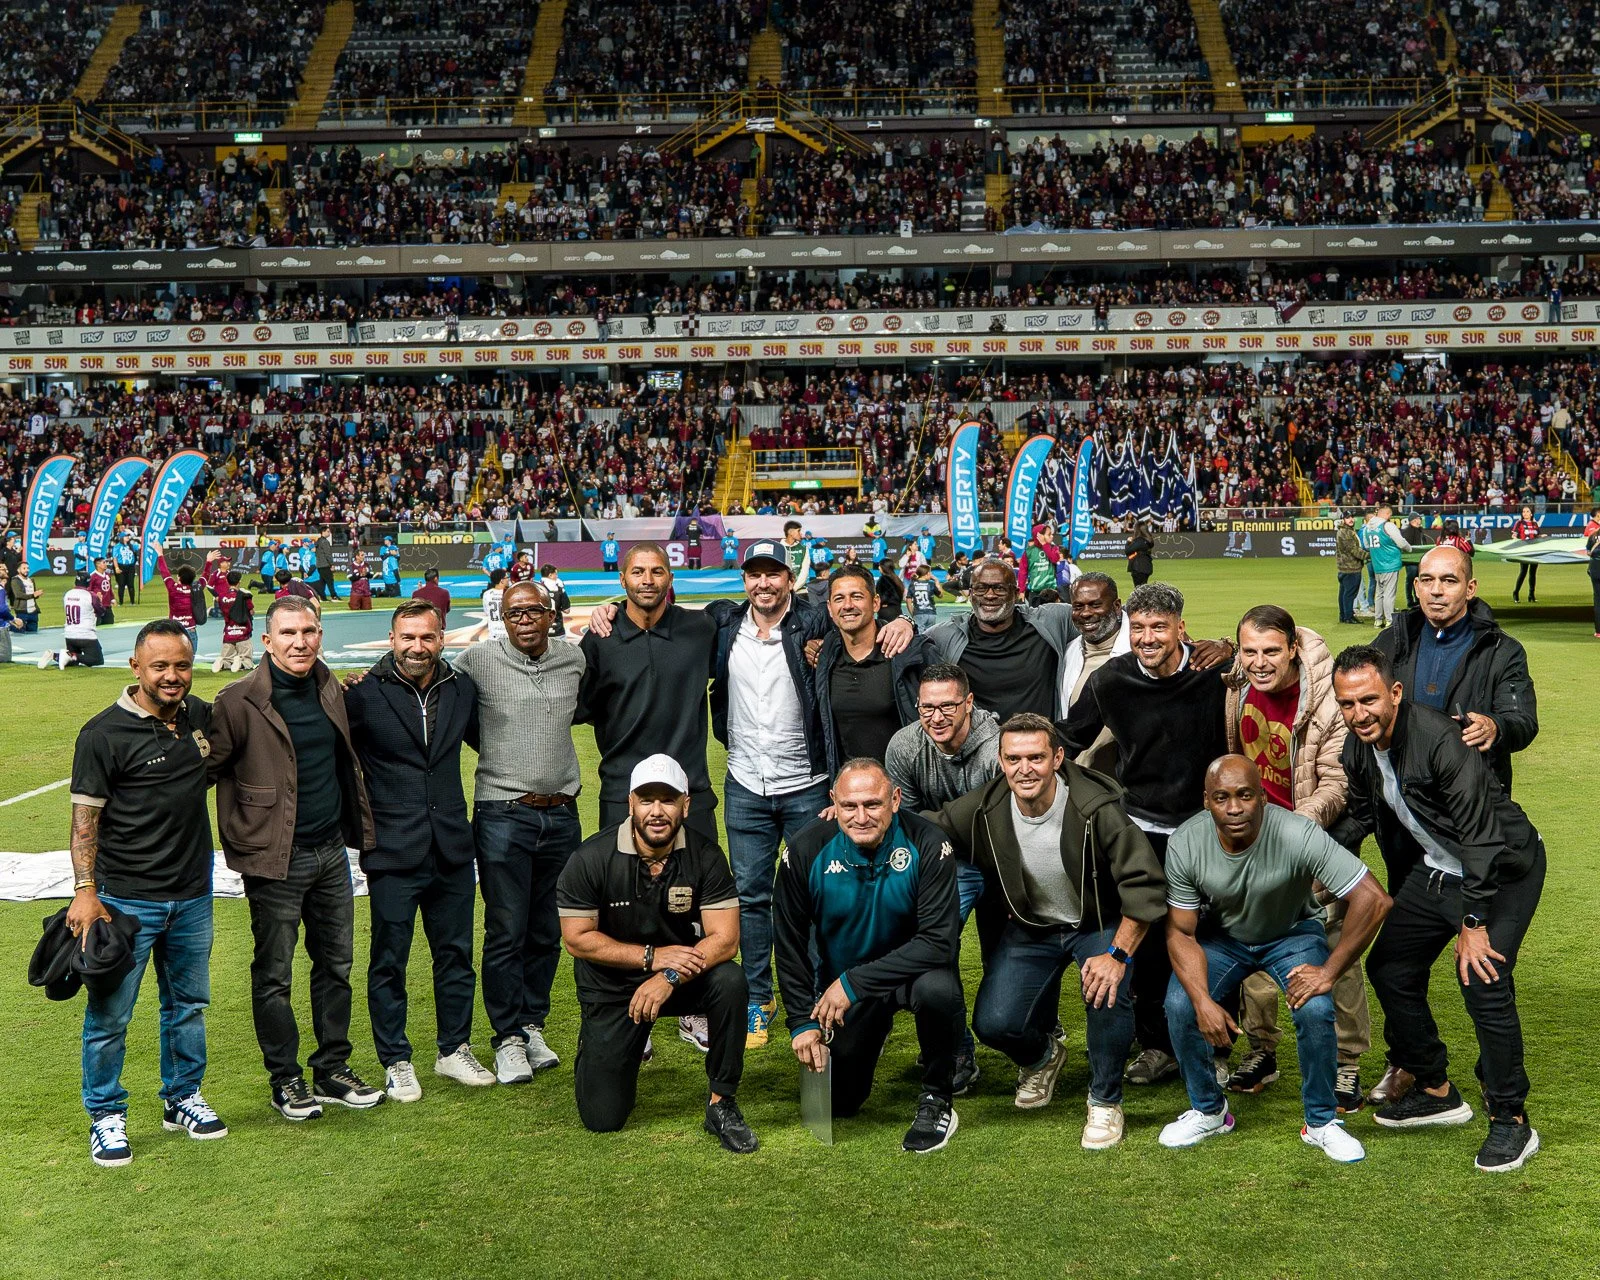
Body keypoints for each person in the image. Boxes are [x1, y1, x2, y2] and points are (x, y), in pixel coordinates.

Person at [1332, 646, 1545, 1173]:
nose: (1359, 714)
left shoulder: (1441, 741)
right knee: (1390, 967)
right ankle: (1434, 1088)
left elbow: (1481, 838)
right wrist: (1314, 861)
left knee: (1483, 978)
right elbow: (1361, 815)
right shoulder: (1358, 748)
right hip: (1440, 867)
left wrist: (1473, 924)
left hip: (1503, 867)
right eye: (1347, 703)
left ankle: (1511, 1119)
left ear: (1395, 693)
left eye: (1369, 700)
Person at [930, 715, 1166, 1148]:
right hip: (1033, 928)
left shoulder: (1096, 807)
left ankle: (1105, 1100)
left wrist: (1117, 954)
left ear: (1057, 758)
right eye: (1014, 759)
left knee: (1106, 990)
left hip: (1096, 924)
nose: (1025, 769)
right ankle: (1042, 1057)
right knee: (993, 1023)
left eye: (1036, 757)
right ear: (1001, 761)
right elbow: (928, 826)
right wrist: (851, 818)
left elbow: (1146, 886)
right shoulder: (986, 806)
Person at [1159, 756, 1390, 1163]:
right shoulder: (1185, 842)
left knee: (1315, 1008)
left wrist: (1329, 971)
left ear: (1263, 798)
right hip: (1224, 939)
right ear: (1206, 801)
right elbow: (1181, 931)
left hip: (1291, 934)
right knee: (1180, 1004)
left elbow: (1374, 899)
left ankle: (1320, 1122)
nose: (1234, 808)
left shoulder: (1298, 833)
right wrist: (1202, 1001)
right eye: (1221, 798)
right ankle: (1209, 1111)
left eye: (1245, 795)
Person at [207, 595, 384, 1120]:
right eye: (288, 633)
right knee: (275, 975)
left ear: (320, 635)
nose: (299, 642)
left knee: (336, 966)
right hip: (273, 860)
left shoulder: (331, 686)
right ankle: (285, 1079)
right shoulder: (237, 701)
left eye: (308, 631)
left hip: (330, 851)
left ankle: (331, 1068)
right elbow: (205, 771)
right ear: (266, 641)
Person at [1057, 581, 1233, 1086]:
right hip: (1143, 830)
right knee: (1149, 943)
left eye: (1159, 627)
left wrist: (1230, 647)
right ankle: (1158, 1046)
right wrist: (1016, 754)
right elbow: (1069, 736)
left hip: (1207, 831)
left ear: (1181, 627)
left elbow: (1275, 657)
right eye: (1139, 628)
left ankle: (1219, 1045)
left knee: (1216, 939)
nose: (1148, 638)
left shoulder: (1214, 672)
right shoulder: (1111, 680)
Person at [69, 620, 224, 1167]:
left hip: (194, 895)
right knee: (110, 1015)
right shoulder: (102, 733)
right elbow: (85, 820)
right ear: (135, 667)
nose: (172, 676)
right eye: (159, 666)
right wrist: (85, 890)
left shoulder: (198, 716)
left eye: (181, 665)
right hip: (126, 901)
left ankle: (182, 1097)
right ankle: (105, 1114)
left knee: (188, 1007)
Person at [556, 755, 757, 1153]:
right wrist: (652, 958)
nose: (657, 811)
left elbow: (725, 940)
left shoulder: (705, 855)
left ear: (686, 805)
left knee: (730, 980)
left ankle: (721, 1102)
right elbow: (577, 939)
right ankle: (605, 1045)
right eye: (647, 800)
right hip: (614, 985)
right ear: (630, 802)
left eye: (668, 800)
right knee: (603, 1118)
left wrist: (667, 976)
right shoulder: (591, 858)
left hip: (679, 977)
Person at [774, 759, 964, 1154]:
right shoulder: (806, 850)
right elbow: (789, 944)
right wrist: (800, 1022)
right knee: (841, 1104)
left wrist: (851, 983)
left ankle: (937, 1098)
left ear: (895, 799)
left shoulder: (929, 843)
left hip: (911, 976)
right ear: (833, 802)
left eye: (873, 804)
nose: (861, 817)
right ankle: (871, 1032)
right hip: (848, 991)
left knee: (938, 990)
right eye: (849, 806)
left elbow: (937, 943)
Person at [1223, 606, 1370, 1110]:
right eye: (1250, 652)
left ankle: (1347, 1062)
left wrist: (1289, 832)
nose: (1260, 662)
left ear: (1291, 649)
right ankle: (1262, 1050)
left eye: (1271, 651)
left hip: (1311, 842)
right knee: (1252, 944)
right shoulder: (1235, 683)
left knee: (1335, 951)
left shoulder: (1326, 701)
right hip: (1250, 842)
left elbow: (1337, 784)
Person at [345, 599, 492, 1102]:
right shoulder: (362, 694)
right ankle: (396, 1059)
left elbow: (486, 743)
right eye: (407, 637)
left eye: (427, 637)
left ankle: (454, 1049)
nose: (417, 647)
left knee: (456, 955)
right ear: (392, 639)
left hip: (451, 845)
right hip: (392, 848)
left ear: (441, 638)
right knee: (390, 960)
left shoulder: (461, 688)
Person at [455, 580, 585, 1083]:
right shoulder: (477, 660)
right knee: (507, 930)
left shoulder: (572, 659)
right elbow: (431, 687)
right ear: (502, 619)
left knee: (548, 930)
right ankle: (506, 1037)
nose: (525, 619)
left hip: (562, 813)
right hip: (503, 811)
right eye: (515, 613)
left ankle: (532, 1025)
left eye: (534, 610)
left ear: (552, 614)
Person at [577, 542, 723, 843]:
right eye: (638, 572)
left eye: (657, 572)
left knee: (702, 874)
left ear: (670, 578)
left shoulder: (700, 628)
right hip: (622, 794)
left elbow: (750, 620)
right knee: (621, 875)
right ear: (622, 580)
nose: (647, 580)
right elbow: (583, 708)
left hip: (690, 792)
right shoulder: (600, 638)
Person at [1373, 545, 1536, 796]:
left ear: (1470, 588)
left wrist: (1495, 726)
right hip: (1402, 798)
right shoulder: (1390, 642)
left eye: (1449, 581)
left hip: (1474, 797)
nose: (1436, 590)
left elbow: (1523, 721)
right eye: (1427, 580)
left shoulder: (1502, 650)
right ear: (1416, 586)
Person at [924, 557, 1080, 722]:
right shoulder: (945, 635)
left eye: (999, 588)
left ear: (1016, 593)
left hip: (1039, 737)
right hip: (979, 739)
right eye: (981, 588)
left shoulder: (1051, 621)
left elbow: (1095, 612)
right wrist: (907, 621)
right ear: (971, 594)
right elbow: (912, 644)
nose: (989, 595)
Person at [814, 563, 928, 773]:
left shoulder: (907, 651)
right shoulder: (825, 655)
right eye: (839, 598)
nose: (848, 605)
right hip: (849, 786)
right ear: (829, 608)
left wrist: (906, 620)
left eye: (857, 596)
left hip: (904, 785)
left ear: (875, 603)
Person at [1057, 572, 1130, 775]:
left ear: (1117, 606)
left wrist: (1215, 646)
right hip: (1075, 777)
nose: (1086, 613)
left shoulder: (1142, 649)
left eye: (1095, 605)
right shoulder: (1068, 652)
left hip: (1122, 782)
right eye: (1078, 606)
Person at [1358, 507, 1411, 629]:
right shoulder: (1388, 526)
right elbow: (1401, 542)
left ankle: (1378, 620)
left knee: (1379, 593)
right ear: (1387, 514)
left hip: (1377, 564)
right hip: (1390, 563)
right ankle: (1389, 620)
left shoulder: (1367, 528)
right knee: (1389, 593)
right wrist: (1409, 549)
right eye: (1390, 515)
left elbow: (1366, 545)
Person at [38, 574, 104, 670]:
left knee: (72, 662)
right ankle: (69, 654)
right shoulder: (90, 596)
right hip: (85, 634)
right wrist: (99, 600)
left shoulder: (68, 594)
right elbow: (101, 612)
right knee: (96, 659)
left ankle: (55, 655)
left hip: (69, 634)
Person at [155, 548, 205, 651]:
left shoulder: (172, 588)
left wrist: (160, 554)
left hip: (175, 630)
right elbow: (204, 578)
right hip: (190, 630)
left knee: (174, 657)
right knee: (189, 658)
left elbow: (164, 572)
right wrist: (209, 562)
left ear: (179, 577)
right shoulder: (195, 589)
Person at [212, 571, 255, 673]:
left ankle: (222, 663)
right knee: (247, 660)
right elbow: (252, 612)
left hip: (228, 633)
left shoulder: (222, 597)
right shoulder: (244, 596)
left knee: (227, 659)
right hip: (243, 633)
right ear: (239, 581)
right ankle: (240, 663)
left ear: (227, 581)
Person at [1335, 512, 1367, 625]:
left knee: (1344, 593)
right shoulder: (1346, 532)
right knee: (1349, 594)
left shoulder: (1344, 531)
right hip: (1351, 568)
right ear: (1343, 519)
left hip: (1344, 567)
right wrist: (1370, 555)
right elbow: (1354, 550)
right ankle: (1348, 616)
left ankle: (1344, 615)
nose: (1351, 519)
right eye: (1347, 517)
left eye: (1352, 517)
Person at [1510, 506, 1541, 603]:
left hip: (1534, 551)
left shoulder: (1535, 524)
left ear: (1531, 514)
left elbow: (1537, 536)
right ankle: (1516, 593)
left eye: (1527, 511)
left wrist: (1542, 536)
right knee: (1523, 572)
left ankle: (1531, 594)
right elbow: (1514, 535)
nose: (1525, 513)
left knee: (1533, 573)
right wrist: (1515, 538)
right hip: (1524, 551)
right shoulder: (1519, 523)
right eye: (1523, 511)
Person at [1024, 524, 1059, 603]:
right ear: (1040, 536)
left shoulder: (1054, 548)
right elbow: (1023, 571)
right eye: (1049, 534)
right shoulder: (1029, 551)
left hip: (1051, 591)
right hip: (1035, 591)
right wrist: (1022, 590)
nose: (1052, 536)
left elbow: (1054, 559)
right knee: (1034, 611)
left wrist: (1044, 544)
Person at [905, 562, 944, 629]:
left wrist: (913, 613)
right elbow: (940, 595)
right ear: (927, 573)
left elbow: (908, 601)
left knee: (919, 633)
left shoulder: (912, 585)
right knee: (929, 633)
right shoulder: (931, 584)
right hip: (931, 613)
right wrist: (936, 581)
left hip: (918, 613)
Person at [8, 561, 40, 632]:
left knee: (33, 634)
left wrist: (36, 595)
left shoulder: (31, 580)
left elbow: (33, 595)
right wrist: (33, 595)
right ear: (18, 570)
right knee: (20, 633)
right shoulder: (15, 580)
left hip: (33, 612)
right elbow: (18, 594)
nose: (27, 570)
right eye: (24, 568)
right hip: (22, 611)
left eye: (28, 568)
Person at [539, 563, 570, 636]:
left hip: (542, 631)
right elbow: (567, 610)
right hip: (557, 630)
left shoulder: (538, 589)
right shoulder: (560, 589)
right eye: (555, 574)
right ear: (550, 575)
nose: (557, 576)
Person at [481, 568, 508, 642]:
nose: (508, 580)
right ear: (502, 580)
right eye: (506, 577)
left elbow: (486, 612)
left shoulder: (487, 594)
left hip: (493, 633)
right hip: (508, 633)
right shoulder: (509, 593)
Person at [1125, 521, 1155, 588]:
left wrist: (1128, 542)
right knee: (1143, 588)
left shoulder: (1139, 541)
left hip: (1138, 567)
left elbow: (1127, 551)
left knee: (1138, 589)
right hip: (1147, 566)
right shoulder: (1148, 540)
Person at [88, 556, 115, 625]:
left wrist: (112, 599)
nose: (106, 564)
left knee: (110, 623)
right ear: (98, 564)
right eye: (104, 562)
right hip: (97, 606)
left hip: (107, 605)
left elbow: (109, 588)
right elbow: (88, 590)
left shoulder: (107, 575)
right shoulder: (92, 576)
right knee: (97, 624)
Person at [313, 527, 338, 600]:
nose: (329, 533)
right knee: (330, 581)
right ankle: (334, 596)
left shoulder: (318, 541)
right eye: (328, 531)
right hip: (325, 564)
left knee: (322, 582)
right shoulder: (325, 542)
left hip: (319, 564)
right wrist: (331, 564)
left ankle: (322, 596)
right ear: (323, 532)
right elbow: (327, 554)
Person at [112, 533, 138, 604]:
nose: (127, 537)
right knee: (121, 585)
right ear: (121, 538)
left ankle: (132, 601)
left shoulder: (131, 546)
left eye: (127, 536)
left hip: (130, 567)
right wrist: (116, 567)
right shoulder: (117, 547)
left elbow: (140, 548)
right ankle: (121, 601)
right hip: (121, 566)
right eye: (125, 536)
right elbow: (115, 558)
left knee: (131, 584)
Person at [1588, 512, 1600, 638]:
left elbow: (1588, 552)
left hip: (1595, 568)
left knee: (1597, 599)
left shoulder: (1593, 535)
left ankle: (1598, 631)